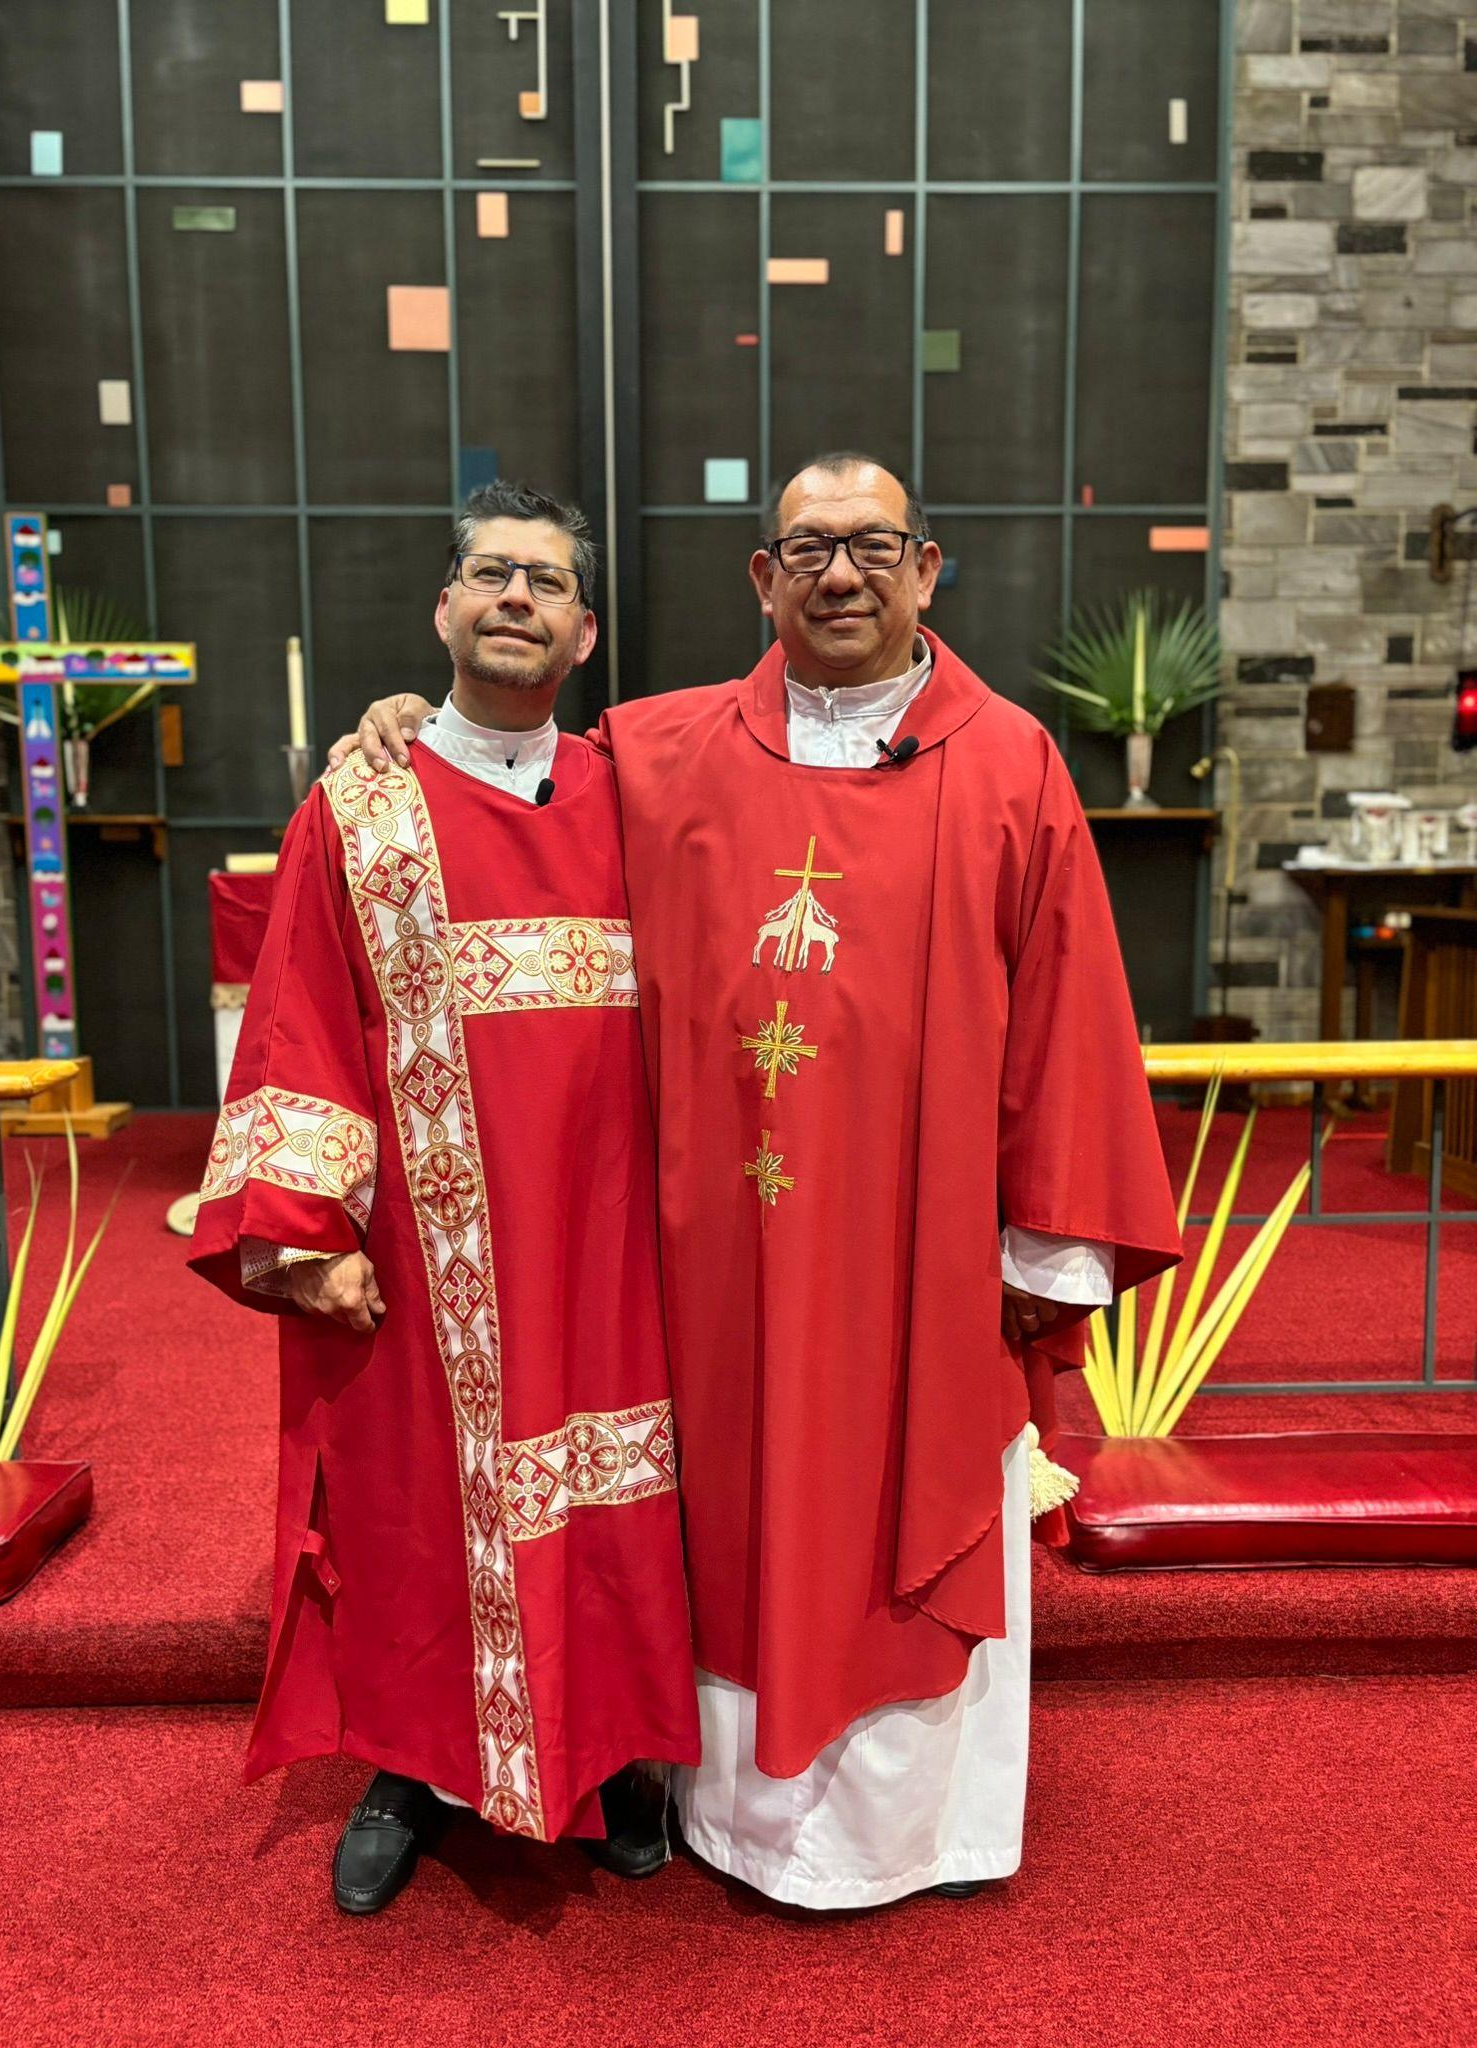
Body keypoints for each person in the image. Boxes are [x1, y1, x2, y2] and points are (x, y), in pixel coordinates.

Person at [332, 452, 1182, 1910]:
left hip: (916, 1244)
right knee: (717, 1500)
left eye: (872, 546)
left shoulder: (1011, 762)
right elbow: (504, 794)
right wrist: (419, 729)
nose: (839, 574)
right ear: (762, 580)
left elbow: (1068, 1013)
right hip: (710, 1252)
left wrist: (1043, 1253)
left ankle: (913, 1833)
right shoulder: (660, 751)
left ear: (927, 569)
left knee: (899, 1484)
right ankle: (682, 1792)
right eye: (807, 549)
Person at [190, 481, 699, 1917]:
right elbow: (299, 1011)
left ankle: (612, 1750)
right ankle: (410, 1765)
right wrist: (311, 1234)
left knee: (609, 1492)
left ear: (585, 633)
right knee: (420, 1502)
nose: (516, 596)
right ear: (443, 610)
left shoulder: (644, 798)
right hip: (430, 1247)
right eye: (490, 574)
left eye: (547, 580)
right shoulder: (362, 807)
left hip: (612, 1239)